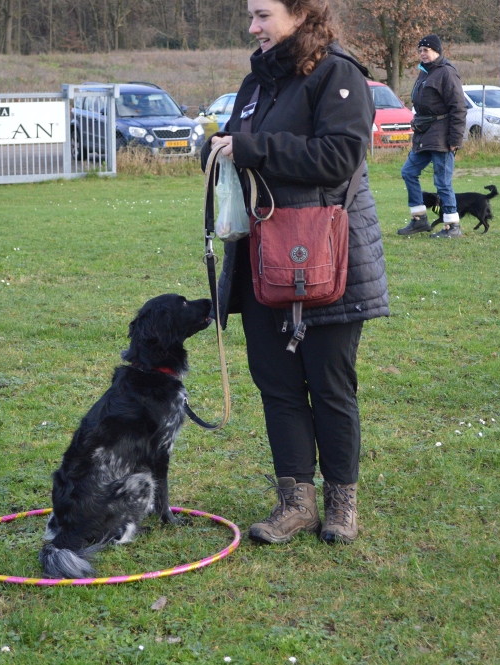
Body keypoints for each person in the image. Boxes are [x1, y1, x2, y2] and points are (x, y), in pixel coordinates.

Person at [202, 0, 389, 545]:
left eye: (262, 15)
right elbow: (244, 154)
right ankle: (295, 503)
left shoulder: (339, 73)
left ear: (302, 14)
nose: (252, 26)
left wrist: (252, 148)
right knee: (277, 384)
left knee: (330, 385)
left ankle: (341, 506)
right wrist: (219, 151)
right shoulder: (255, 83)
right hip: (262, 258)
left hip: (329, 257)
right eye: (251, 16)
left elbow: (338, 156)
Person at [396, 34, 467, 239]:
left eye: (426, 50)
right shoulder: (425, 72)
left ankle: (452, 225)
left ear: (437, 51)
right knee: (408, 172)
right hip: (424, 135)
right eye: (420, 50)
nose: (422, 54)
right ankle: (419, 219)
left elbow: (458, 108)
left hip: (442, 137)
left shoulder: (447, 73)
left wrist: (455, 140)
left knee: (442, 182)